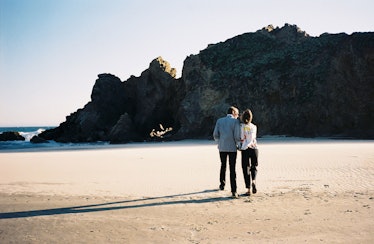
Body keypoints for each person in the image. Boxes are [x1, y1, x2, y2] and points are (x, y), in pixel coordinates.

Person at [213, 106, 241, 198]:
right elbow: (237, 135)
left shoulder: (219, 121)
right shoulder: (235, 122)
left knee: (223, 165)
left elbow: (215, 135)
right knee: (232, 168)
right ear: (233, 112)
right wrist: (238, 144)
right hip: (232, 147)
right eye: (237, 113)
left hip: (222, 147)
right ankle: (234, 190)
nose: (237, 115)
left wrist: (220, 141)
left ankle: (222, 184)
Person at [239, 109, 259, 196]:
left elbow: (241, 138)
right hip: (254, 148)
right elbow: (253, 138)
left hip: (245, 149)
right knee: (254, 166)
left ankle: (248, 189)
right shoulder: (254, 126)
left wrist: (241, 146)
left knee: (245, 168)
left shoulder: (241, 126)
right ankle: (253, 181)